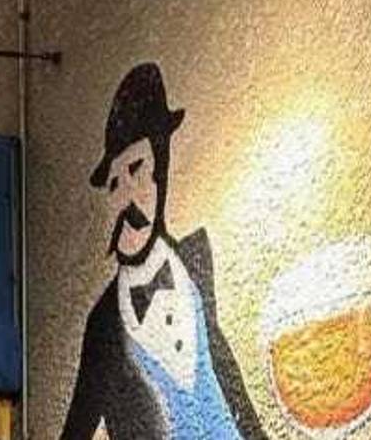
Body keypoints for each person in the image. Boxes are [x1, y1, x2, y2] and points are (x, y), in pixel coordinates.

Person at [60, 63, 266, 440]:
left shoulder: (195, 260)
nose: (124, 197)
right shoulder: (104, 322)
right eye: (114, 184)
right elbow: (77, 428)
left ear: (162, 170)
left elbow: (223, 371)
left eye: (136, 169)